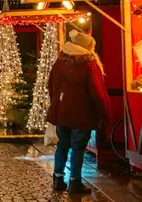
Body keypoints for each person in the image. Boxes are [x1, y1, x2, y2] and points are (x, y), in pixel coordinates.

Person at [47, 30, 111, 194]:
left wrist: (57, 105)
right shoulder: (89, 64)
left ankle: (58, 178)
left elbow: (51, 86)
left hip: (62, 113)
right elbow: (98, 92)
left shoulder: (60, 62)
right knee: (77, 147)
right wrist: (105, 113)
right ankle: (75, 182)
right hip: (81, 115)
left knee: (63, 144)